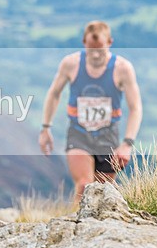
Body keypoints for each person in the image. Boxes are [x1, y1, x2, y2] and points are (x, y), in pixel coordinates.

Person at [39, 21, 142, 203]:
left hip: (107, 135)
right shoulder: (71, 64)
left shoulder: (123, 69)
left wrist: (127, 143)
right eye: (90, 48)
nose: (95, 54)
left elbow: (135, 108)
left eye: (100, 49)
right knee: (84, 186)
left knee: (103, 193)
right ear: (83, 42)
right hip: (78, 133)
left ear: (110, 42)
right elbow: (54, 93)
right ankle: (78, 228)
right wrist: (46, 128)